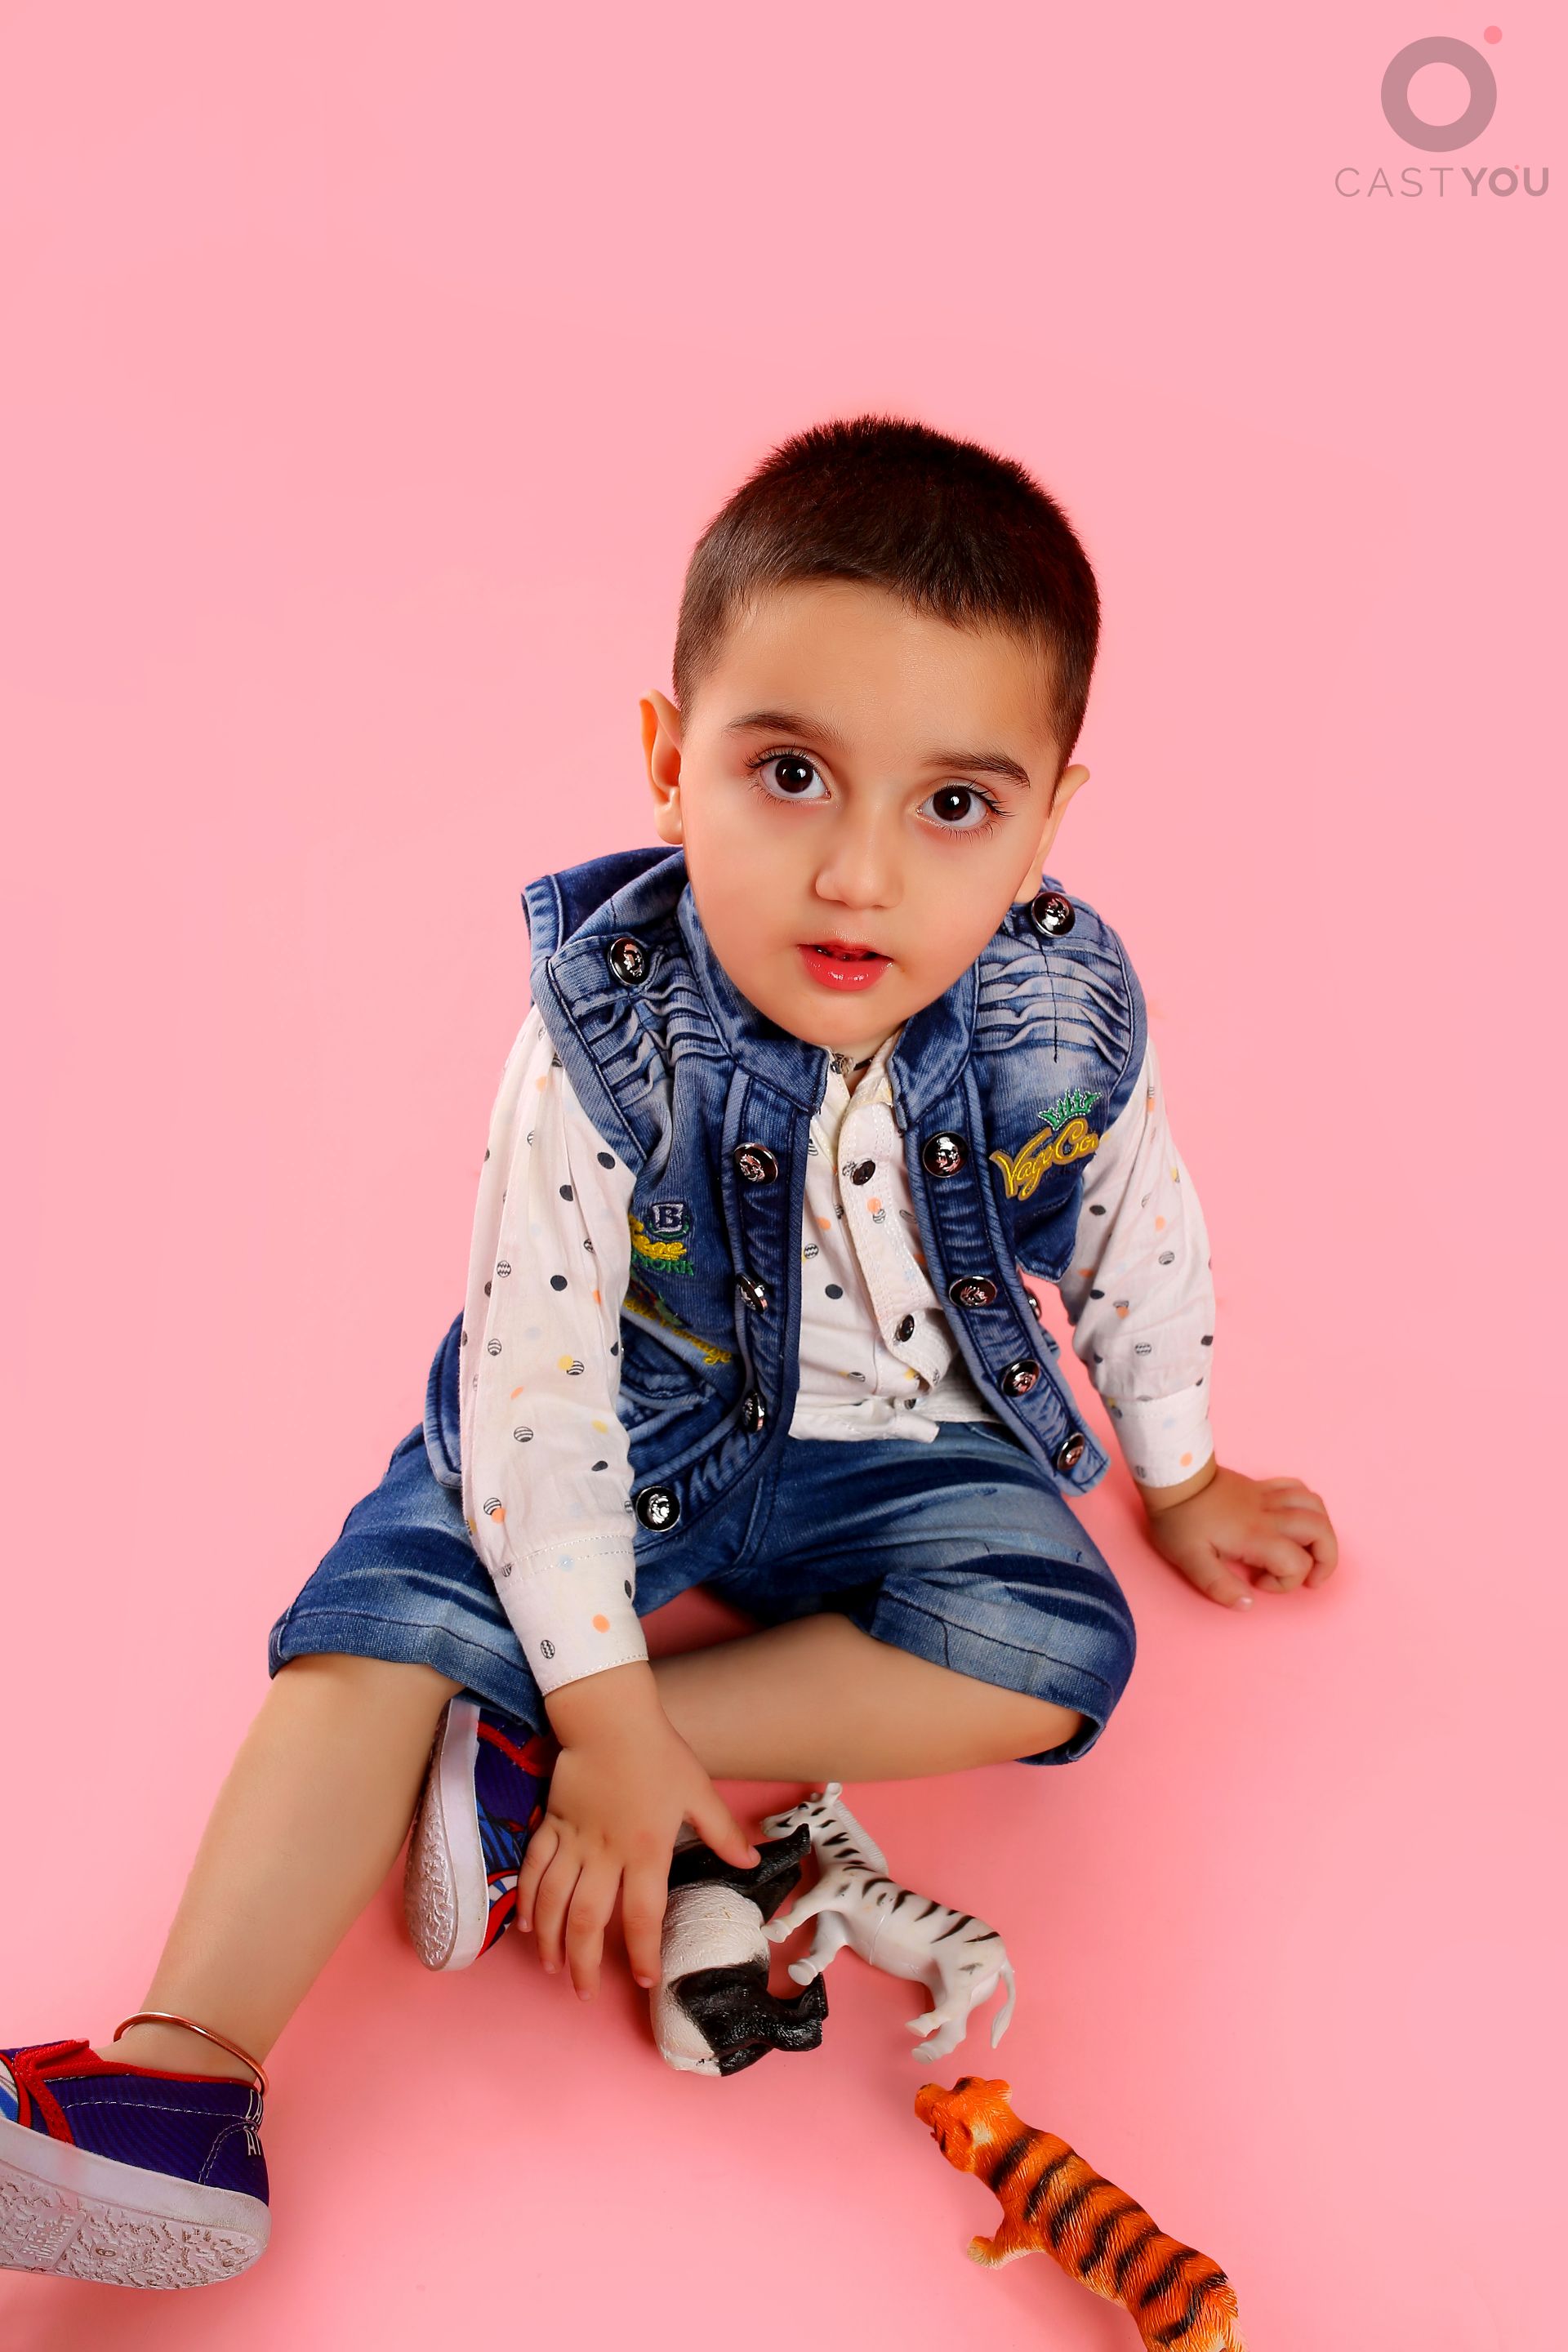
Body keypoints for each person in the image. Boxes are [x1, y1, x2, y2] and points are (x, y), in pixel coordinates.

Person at [0, 415, 1339, 2288]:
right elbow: (531, 1392)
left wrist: (1179, 1473)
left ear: (1048, 821)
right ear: (667, 760)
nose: (859, 874)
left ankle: (534, 1755)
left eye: (954, 807)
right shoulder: (605, 1031)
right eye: (791, 775)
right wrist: (600, 1682)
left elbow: (1136, 1227)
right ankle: (185, 2078)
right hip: (618, 1416)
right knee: (381, 1621)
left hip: (913, 1441)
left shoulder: (1061, 1002)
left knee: (1056, 1644)